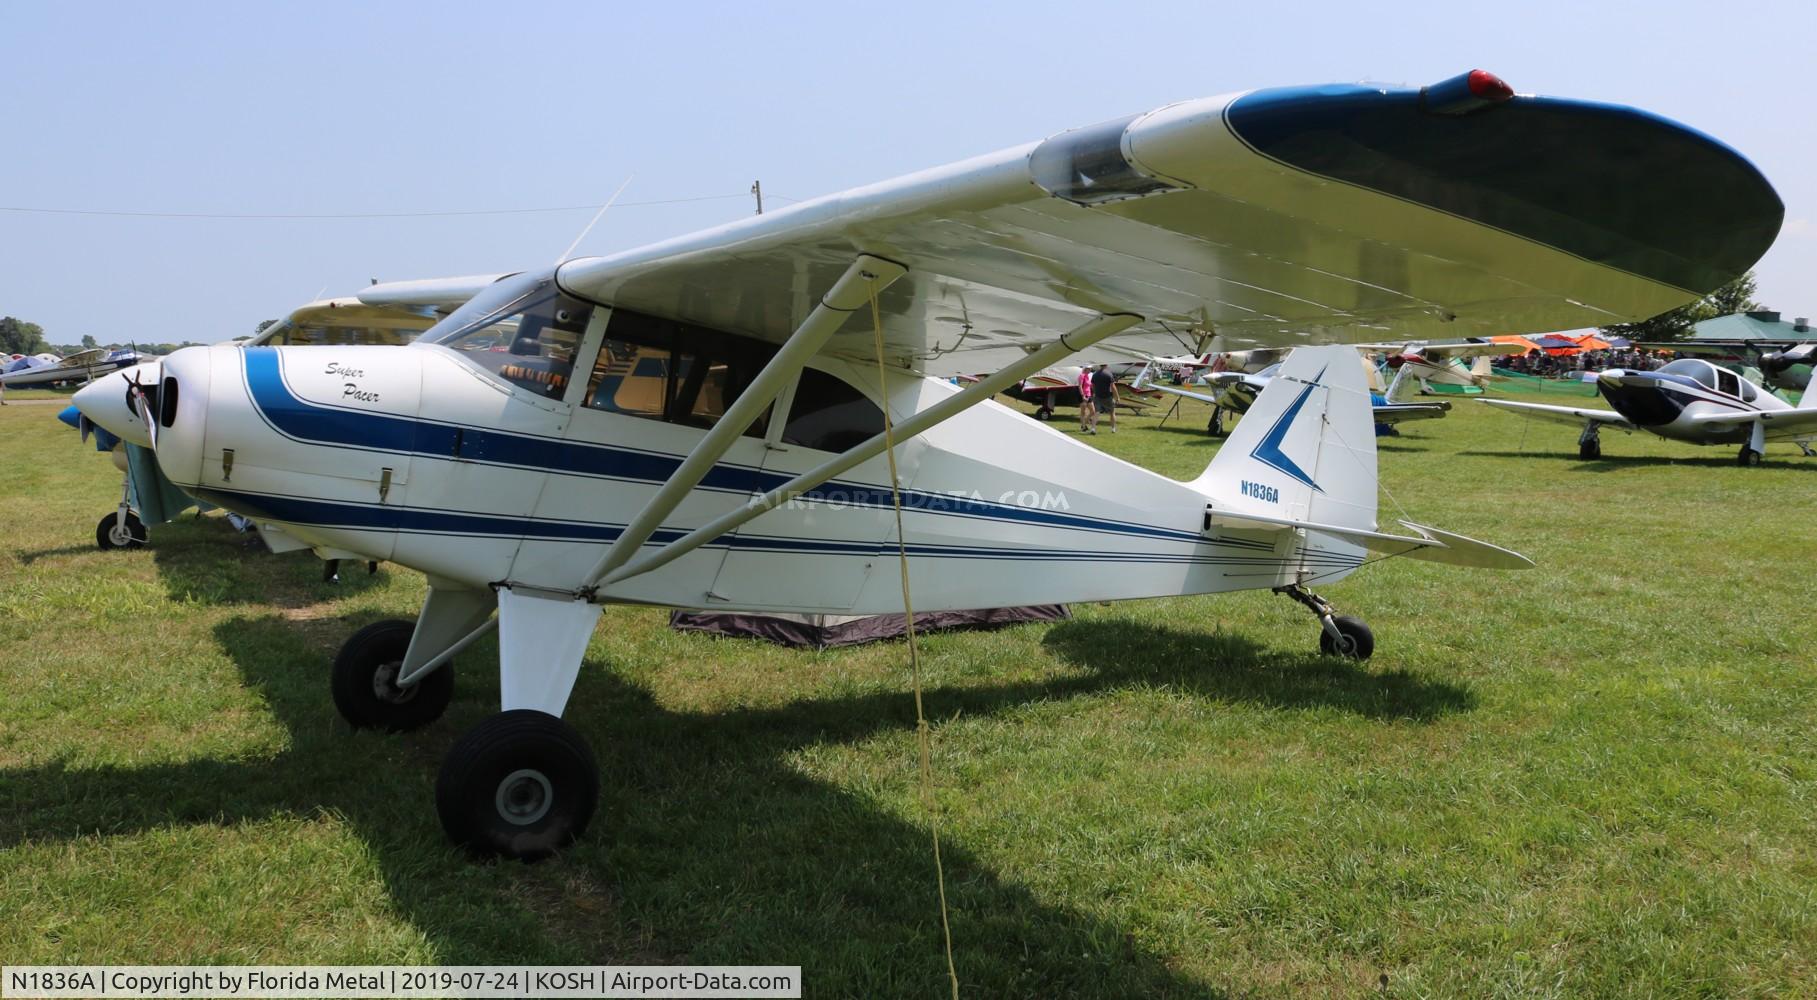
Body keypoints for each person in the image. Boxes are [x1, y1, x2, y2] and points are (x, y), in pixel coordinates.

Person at [1090, 363, 1118, 434]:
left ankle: (1093, 428)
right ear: (1106, 365)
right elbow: (1113, 387)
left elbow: (1092, 385)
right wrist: (1117, 397)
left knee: (1097, 413)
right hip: (1108, 396)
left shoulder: (1095, 374)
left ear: (1100, 365)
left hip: (1098, 396)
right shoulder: (1109, 374)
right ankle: (1113, 429)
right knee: (1112, 413)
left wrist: (1095, 392)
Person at [1077, 365, 1096, 433]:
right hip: (1083, 396)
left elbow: (1090, 385)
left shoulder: (1088, 376)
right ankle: (1083, 427)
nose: (1090, 370)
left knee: (1093, 411)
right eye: (1088, 369)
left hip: (1089, 395)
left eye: (1090, 369)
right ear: (1085, 369)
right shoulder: (1082, 375)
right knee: (1083, 412)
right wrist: (1083, 396)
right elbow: (1080, 386)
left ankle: (1084, 423)